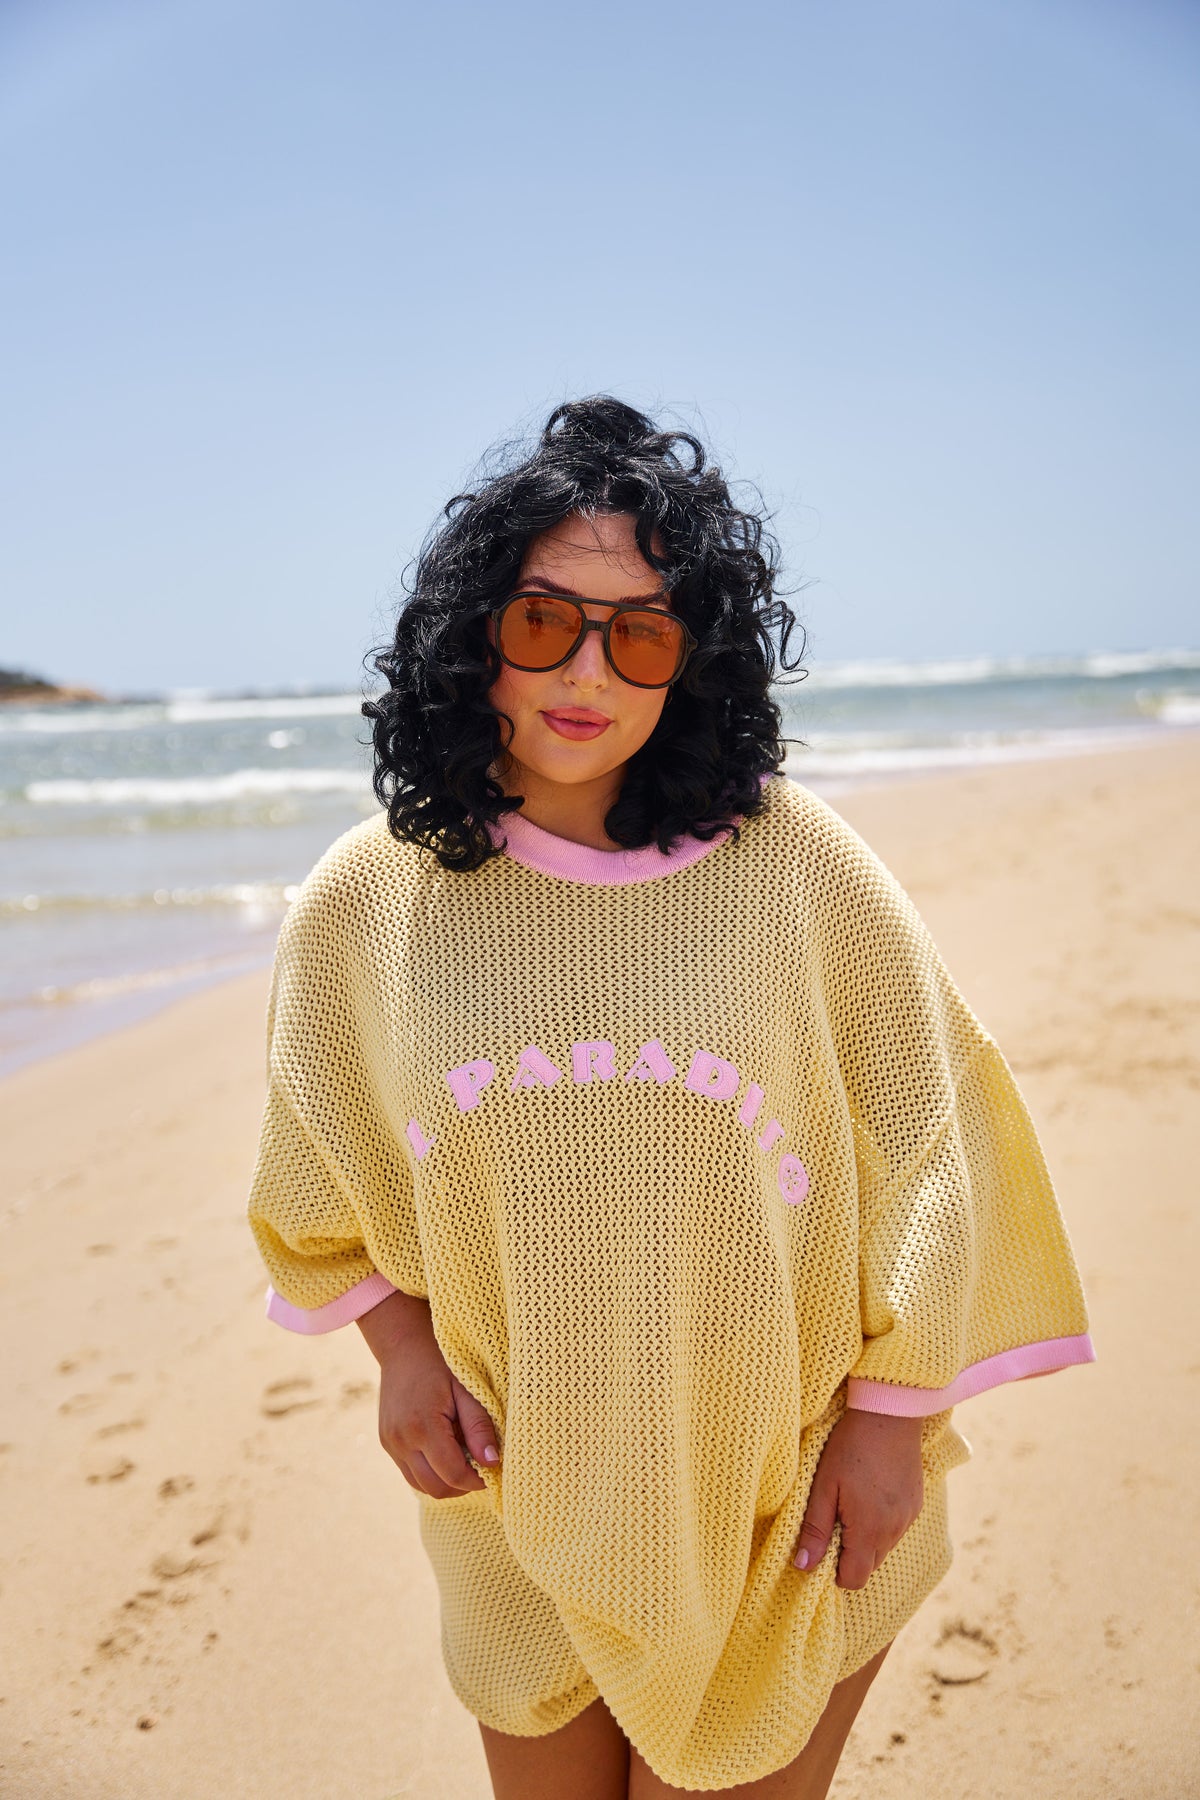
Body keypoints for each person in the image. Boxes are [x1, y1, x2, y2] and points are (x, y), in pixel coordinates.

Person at [245, 396, 1095, 1799]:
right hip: (520, 1500)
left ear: (691, 661)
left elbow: (932, 1134)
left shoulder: (794, 862)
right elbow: (319, 1165)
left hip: (783, 1502)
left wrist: (891, 1422)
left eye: (640, 635)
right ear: (473, 634)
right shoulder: (368, 897)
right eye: (543, 622)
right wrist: (397, 1348)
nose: (588, 671)